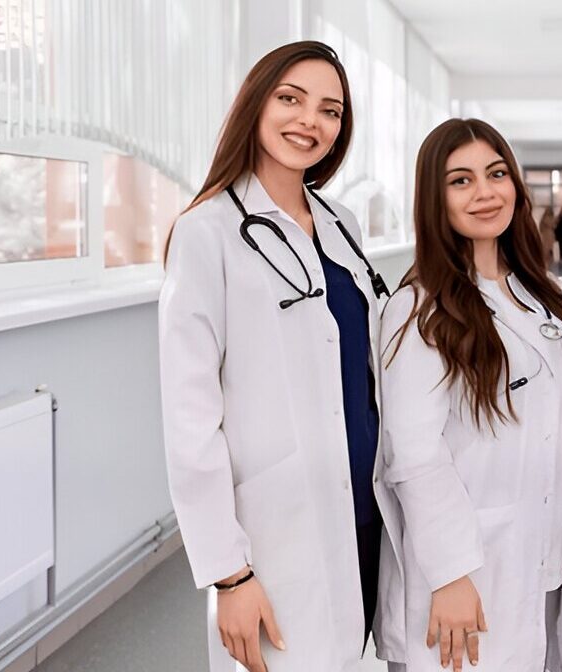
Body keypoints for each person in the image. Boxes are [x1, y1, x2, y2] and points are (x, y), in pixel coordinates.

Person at [159, 41, 392, 671]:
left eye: (330, 110)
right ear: (256, 105)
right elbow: (189, 421)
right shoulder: (207, 231)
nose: (309, 122)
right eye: (291, 99)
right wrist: (228, 575)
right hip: (275, 528)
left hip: (363, 508)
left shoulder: (340, 222)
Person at [377, 118, 562, 672]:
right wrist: (449, 575)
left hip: (540, 561)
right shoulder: (419, 308)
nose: (484, 192)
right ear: (434, 198)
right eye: (460, 181)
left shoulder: (535, 295)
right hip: (467, 570)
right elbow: (416, 454)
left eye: (496, 174)